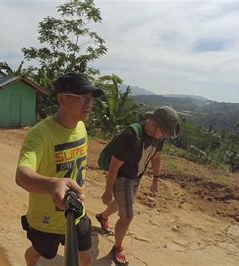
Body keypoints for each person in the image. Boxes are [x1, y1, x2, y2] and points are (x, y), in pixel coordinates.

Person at [16, 73, 103, 266]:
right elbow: (22, 175)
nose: (89, 104)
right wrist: (52, 184)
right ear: (62, 99)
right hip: (47, 221)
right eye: (82, 98)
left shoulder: (81, 127)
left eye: (91, 99)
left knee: (86, 258)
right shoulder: (40, 135)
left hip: (76, 212)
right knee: (38, 253)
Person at [95, 106, 180, 265]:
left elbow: (156, 158)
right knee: (128, 216)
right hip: (122, 178)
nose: (166, 136)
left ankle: (103, 216)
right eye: (165, 132)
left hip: (136, 177)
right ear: (154, 123)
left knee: (123, 203)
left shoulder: (158, 137)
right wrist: (108, 191)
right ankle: (117, 247)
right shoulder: (130, 136)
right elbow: (114, 166)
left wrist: (155, 179)